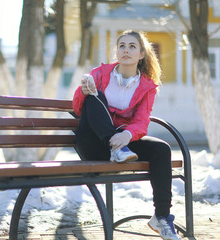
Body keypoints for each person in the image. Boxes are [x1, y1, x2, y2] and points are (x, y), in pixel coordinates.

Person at [72, 30, 181, 240]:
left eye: (132, 46)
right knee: (95, 96)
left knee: (161, 149)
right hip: (92, 143)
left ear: (141, 54)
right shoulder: (99, 74)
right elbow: (78, 109)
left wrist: (128, 135)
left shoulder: (147, 87)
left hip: (123, 145)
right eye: (122, 46)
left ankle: (162, 216)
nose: (126, 50)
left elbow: (141, 121)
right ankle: (117, 148)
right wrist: (83, 91)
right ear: (117, 51)